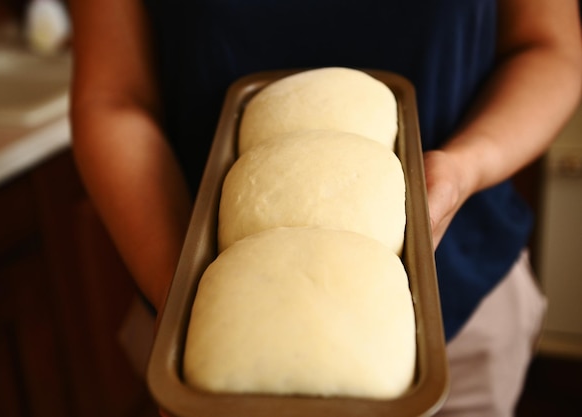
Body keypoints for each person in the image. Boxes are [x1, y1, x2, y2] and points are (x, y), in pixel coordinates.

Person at [68, 0, 582, 415]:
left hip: (468, 290)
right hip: (188, 271)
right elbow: (114, 96)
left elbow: (549, 47)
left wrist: (466, 167)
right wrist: (182, 296)